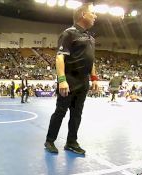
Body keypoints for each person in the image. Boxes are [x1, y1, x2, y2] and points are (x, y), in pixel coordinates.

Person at [44, 3, 98, 155]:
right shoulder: (69, 33)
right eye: (92, 13)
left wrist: (94, 78)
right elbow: (60, 57)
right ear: (83, 15)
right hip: (69, 80)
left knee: (77, 114)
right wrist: (62, 80)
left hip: (83, 82)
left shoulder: (90, 38)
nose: (95, 16)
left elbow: (91, 60)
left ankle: (71, 142)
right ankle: (50, 140)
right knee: (60, 111)